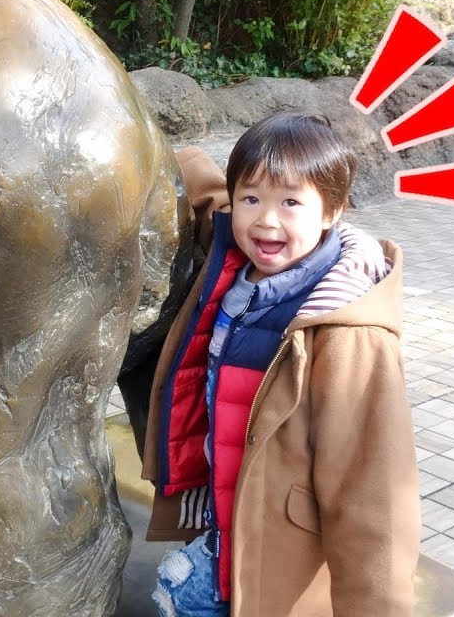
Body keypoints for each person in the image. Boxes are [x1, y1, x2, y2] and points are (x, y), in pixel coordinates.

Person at [144, 111, 421, 617]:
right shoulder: (239, 260)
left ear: (332, 210)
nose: (266, 220)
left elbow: (374, 496)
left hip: (272, 555)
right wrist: (148, 145)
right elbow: (207, 192)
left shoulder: (346, 333)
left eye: (291, 202)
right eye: (251, 199)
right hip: (225, 524)